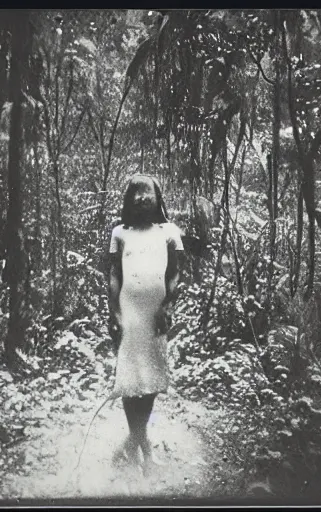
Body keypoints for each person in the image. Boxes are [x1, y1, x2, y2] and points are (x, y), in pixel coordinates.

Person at [107, 174, 183, 476]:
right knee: (130, 379)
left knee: (150, 380)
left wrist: (167, 306)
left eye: (147, 192)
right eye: (136, 193)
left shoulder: (169, 232)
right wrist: (114, 312)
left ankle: (134, 441)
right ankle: (145, 450)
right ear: (128, 199)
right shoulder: (119, 232)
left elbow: (174, 274)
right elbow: (113, 275)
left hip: (155, 317)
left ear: (158, 197)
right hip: (129, 315)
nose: (142, 197)